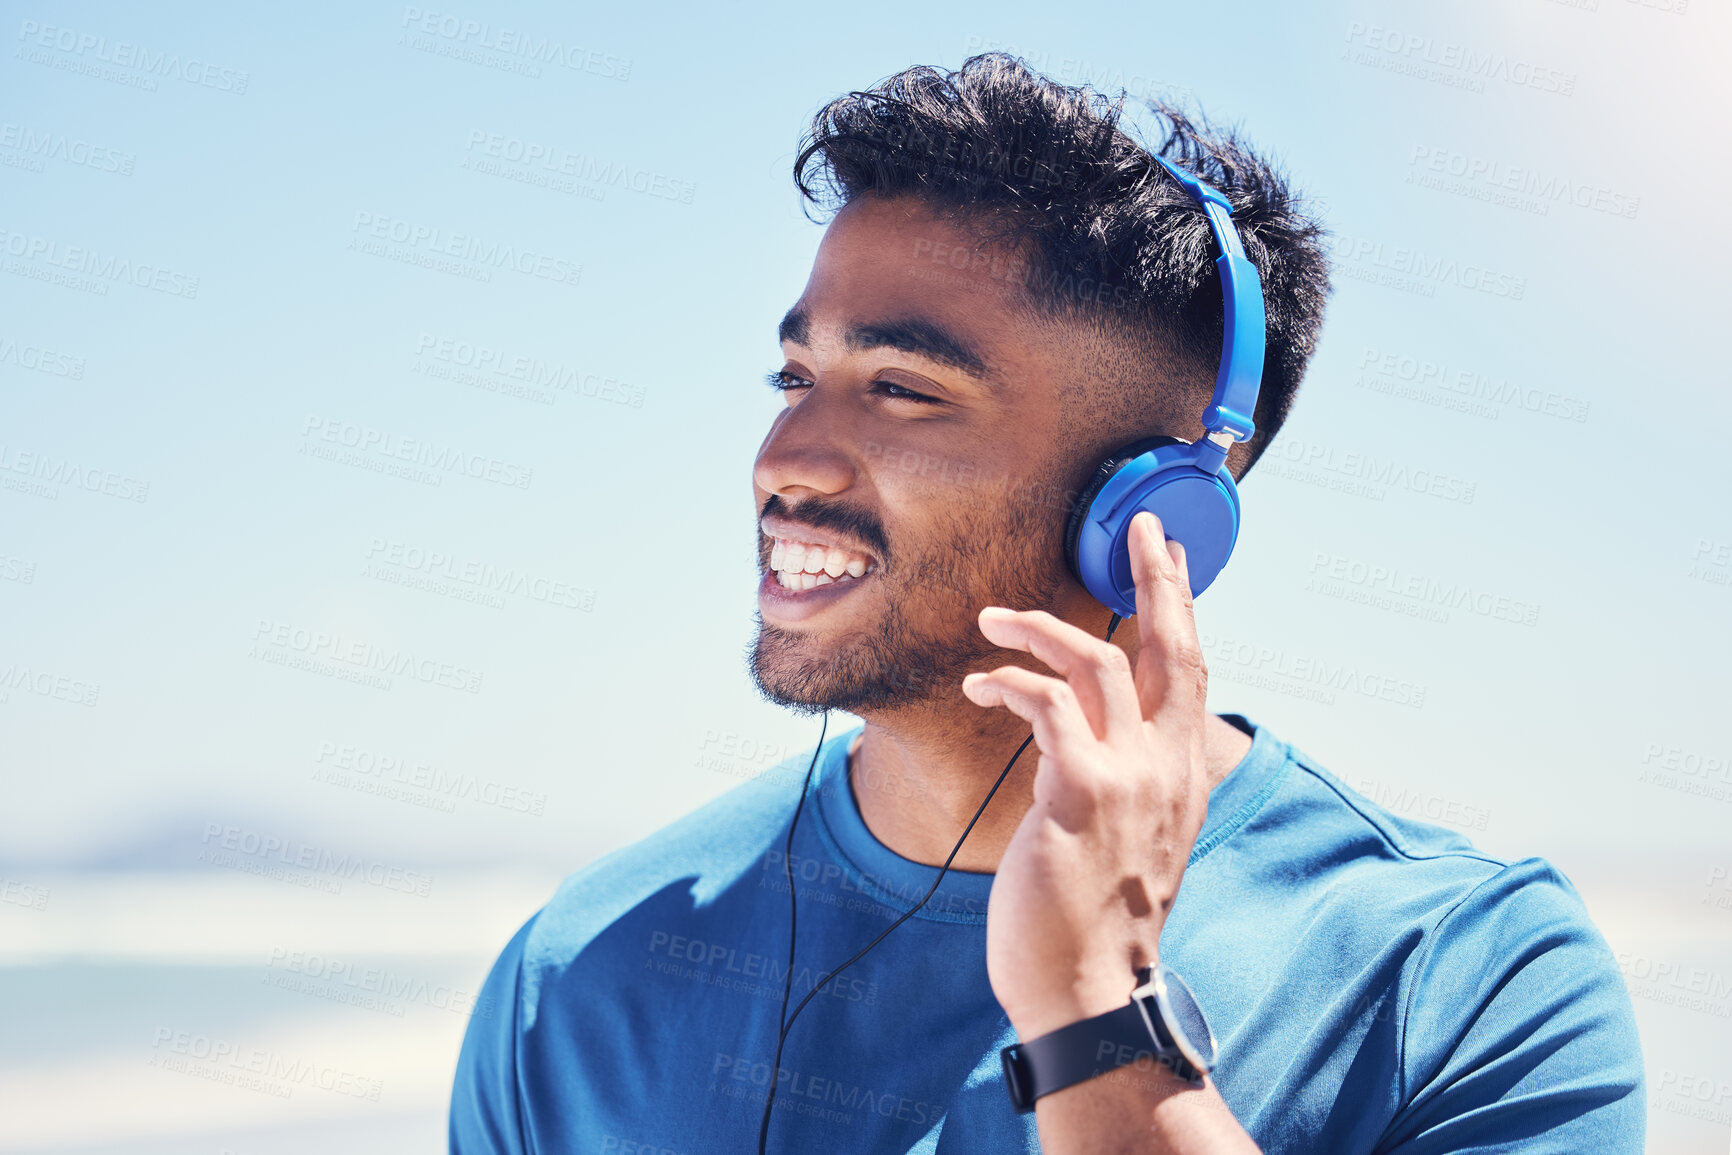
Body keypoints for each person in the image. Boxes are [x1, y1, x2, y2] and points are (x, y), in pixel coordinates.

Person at [449, 53, 1644, 1154]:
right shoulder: (580, 976)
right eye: (797, 376)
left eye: (902, 389)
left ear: (1157, 509)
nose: (787, 457)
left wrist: (1095, 1009)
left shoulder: (1462, 974)